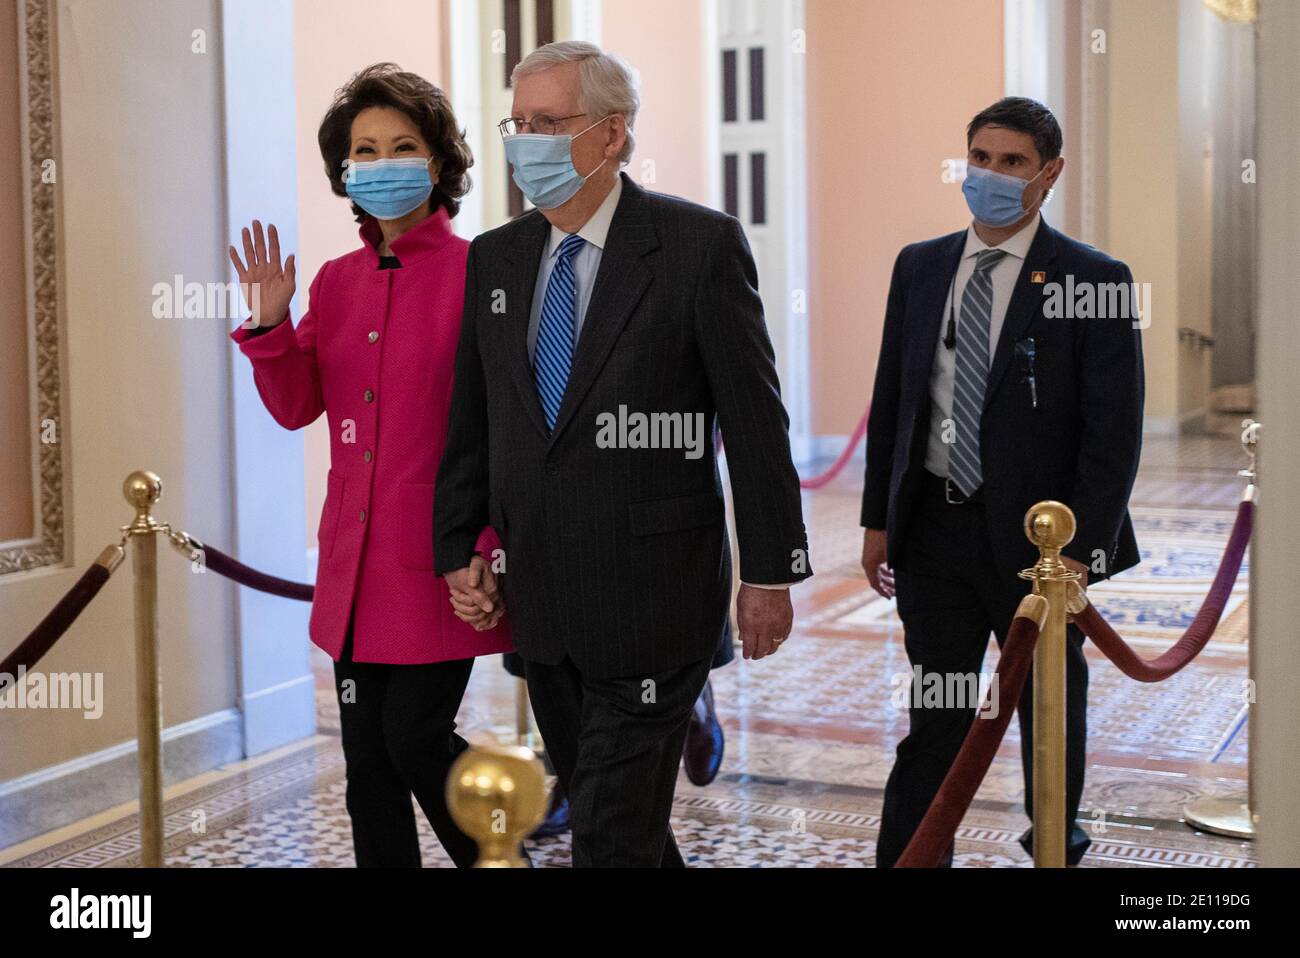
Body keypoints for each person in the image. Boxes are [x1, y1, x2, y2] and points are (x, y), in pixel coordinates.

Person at [434, 40, 811, 867]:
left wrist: (770, 573)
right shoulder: (496, 257)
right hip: (545, 598)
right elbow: (476, 415)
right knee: (627, 829)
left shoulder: (696, 247)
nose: (526, 140)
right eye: (518, 122)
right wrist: (460, 542)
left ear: (612, 135)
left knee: (605, 834)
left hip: (657, 599)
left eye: (550, 122)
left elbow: (755, 422)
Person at [227, 63, 512, 868]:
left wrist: (486, 547)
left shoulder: (480, 272)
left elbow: (504, 430)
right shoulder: (337, 280)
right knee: (369, 773)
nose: (382, 163)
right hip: (354, 571)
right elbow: (295, 407)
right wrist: (271, 325)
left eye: (403, 145)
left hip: (439, 561)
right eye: (365, 149)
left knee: (415, 738)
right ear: (345, 169)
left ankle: (504, 849)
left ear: (438, 161)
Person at [860, 97, 1144, 867]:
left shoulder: (1095, 279)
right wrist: (876, 521)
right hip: (936, 535)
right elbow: (894, 398)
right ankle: (911, 856)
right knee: (939, 715)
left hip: (1040, 549)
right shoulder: (920, 266)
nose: (989, 175)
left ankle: (1056, 843)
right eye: (979, 158)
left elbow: (1112, 435)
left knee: (1050, 715)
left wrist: (1077, 551)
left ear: (1047, 174)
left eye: (1011, 163)